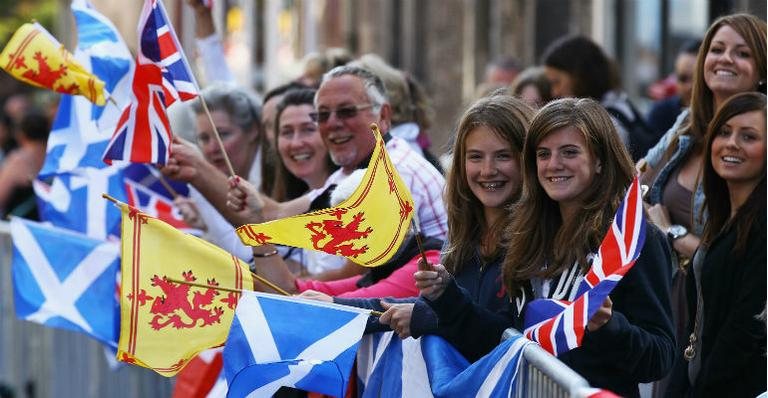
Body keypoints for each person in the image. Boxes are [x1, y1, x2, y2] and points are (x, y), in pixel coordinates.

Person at [417, 98, 675, 397]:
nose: (554, 164)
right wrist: (447, 297)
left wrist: (608, 326)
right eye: (543, 154)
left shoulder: (630, 239)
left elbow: (659, 358)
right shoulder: (526, 234)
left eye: (569, 152)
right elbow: (508, 342)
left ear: (600, 160)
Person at [307, 94, 534, 361]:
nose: (487, 170)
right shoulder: (462, 239)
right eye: (475, 157)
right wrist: (334, 307)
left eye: (503, 156)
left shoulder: (535, 240)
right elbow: (423, 308)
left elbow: (508, 336)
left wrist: (429, 318)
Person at [227, 66, 448, 281]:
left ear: (383, 115)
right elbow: (278, 214)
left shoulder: (395, 171)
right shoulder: (358, 166)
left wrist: (255, 283)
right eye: (323, 115)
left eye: (347, 111)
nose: (333, 124)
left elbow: (350, 278)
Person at [640, 17, 766, 389]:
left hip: (719, 312)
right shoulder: (685, 125)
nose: (725, 59)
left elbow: (740, 255)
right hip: (670, 300)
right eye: (717, 49)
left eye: (742, 53)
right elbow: (636, 185)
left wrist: (671, 233)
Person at [666, 92, 766, 397]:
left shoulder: (762, 227)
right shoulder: (722, 218)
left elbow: (745, 331)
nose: (732, 143)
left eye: (748, 136)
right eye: (724, 132)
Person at [165, 83, 263, 260]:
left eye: (223, 135)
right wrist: (205, 223)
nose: (212, 148)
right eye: (204, 138)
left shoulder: (278, 181)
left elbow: (248, 255)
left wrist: (199, 175)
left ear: (253, 131)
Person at [542, 35, 659, 161]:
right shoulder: (621, 106)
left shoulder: (608, 123)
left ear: (579, 77)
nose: (554, 92)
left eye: (557, 82)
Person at [646, 40, 702, 138]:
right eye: (683, 78)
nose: (689, 86)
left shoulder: (719, 115)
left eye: (696, 78)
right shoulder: (660, 113)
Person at [0, 110, 49, 219]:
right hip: (53, 225)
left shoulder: (18, 160)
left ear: (20, 134)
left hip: (22, 228)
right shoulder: (57, 156)